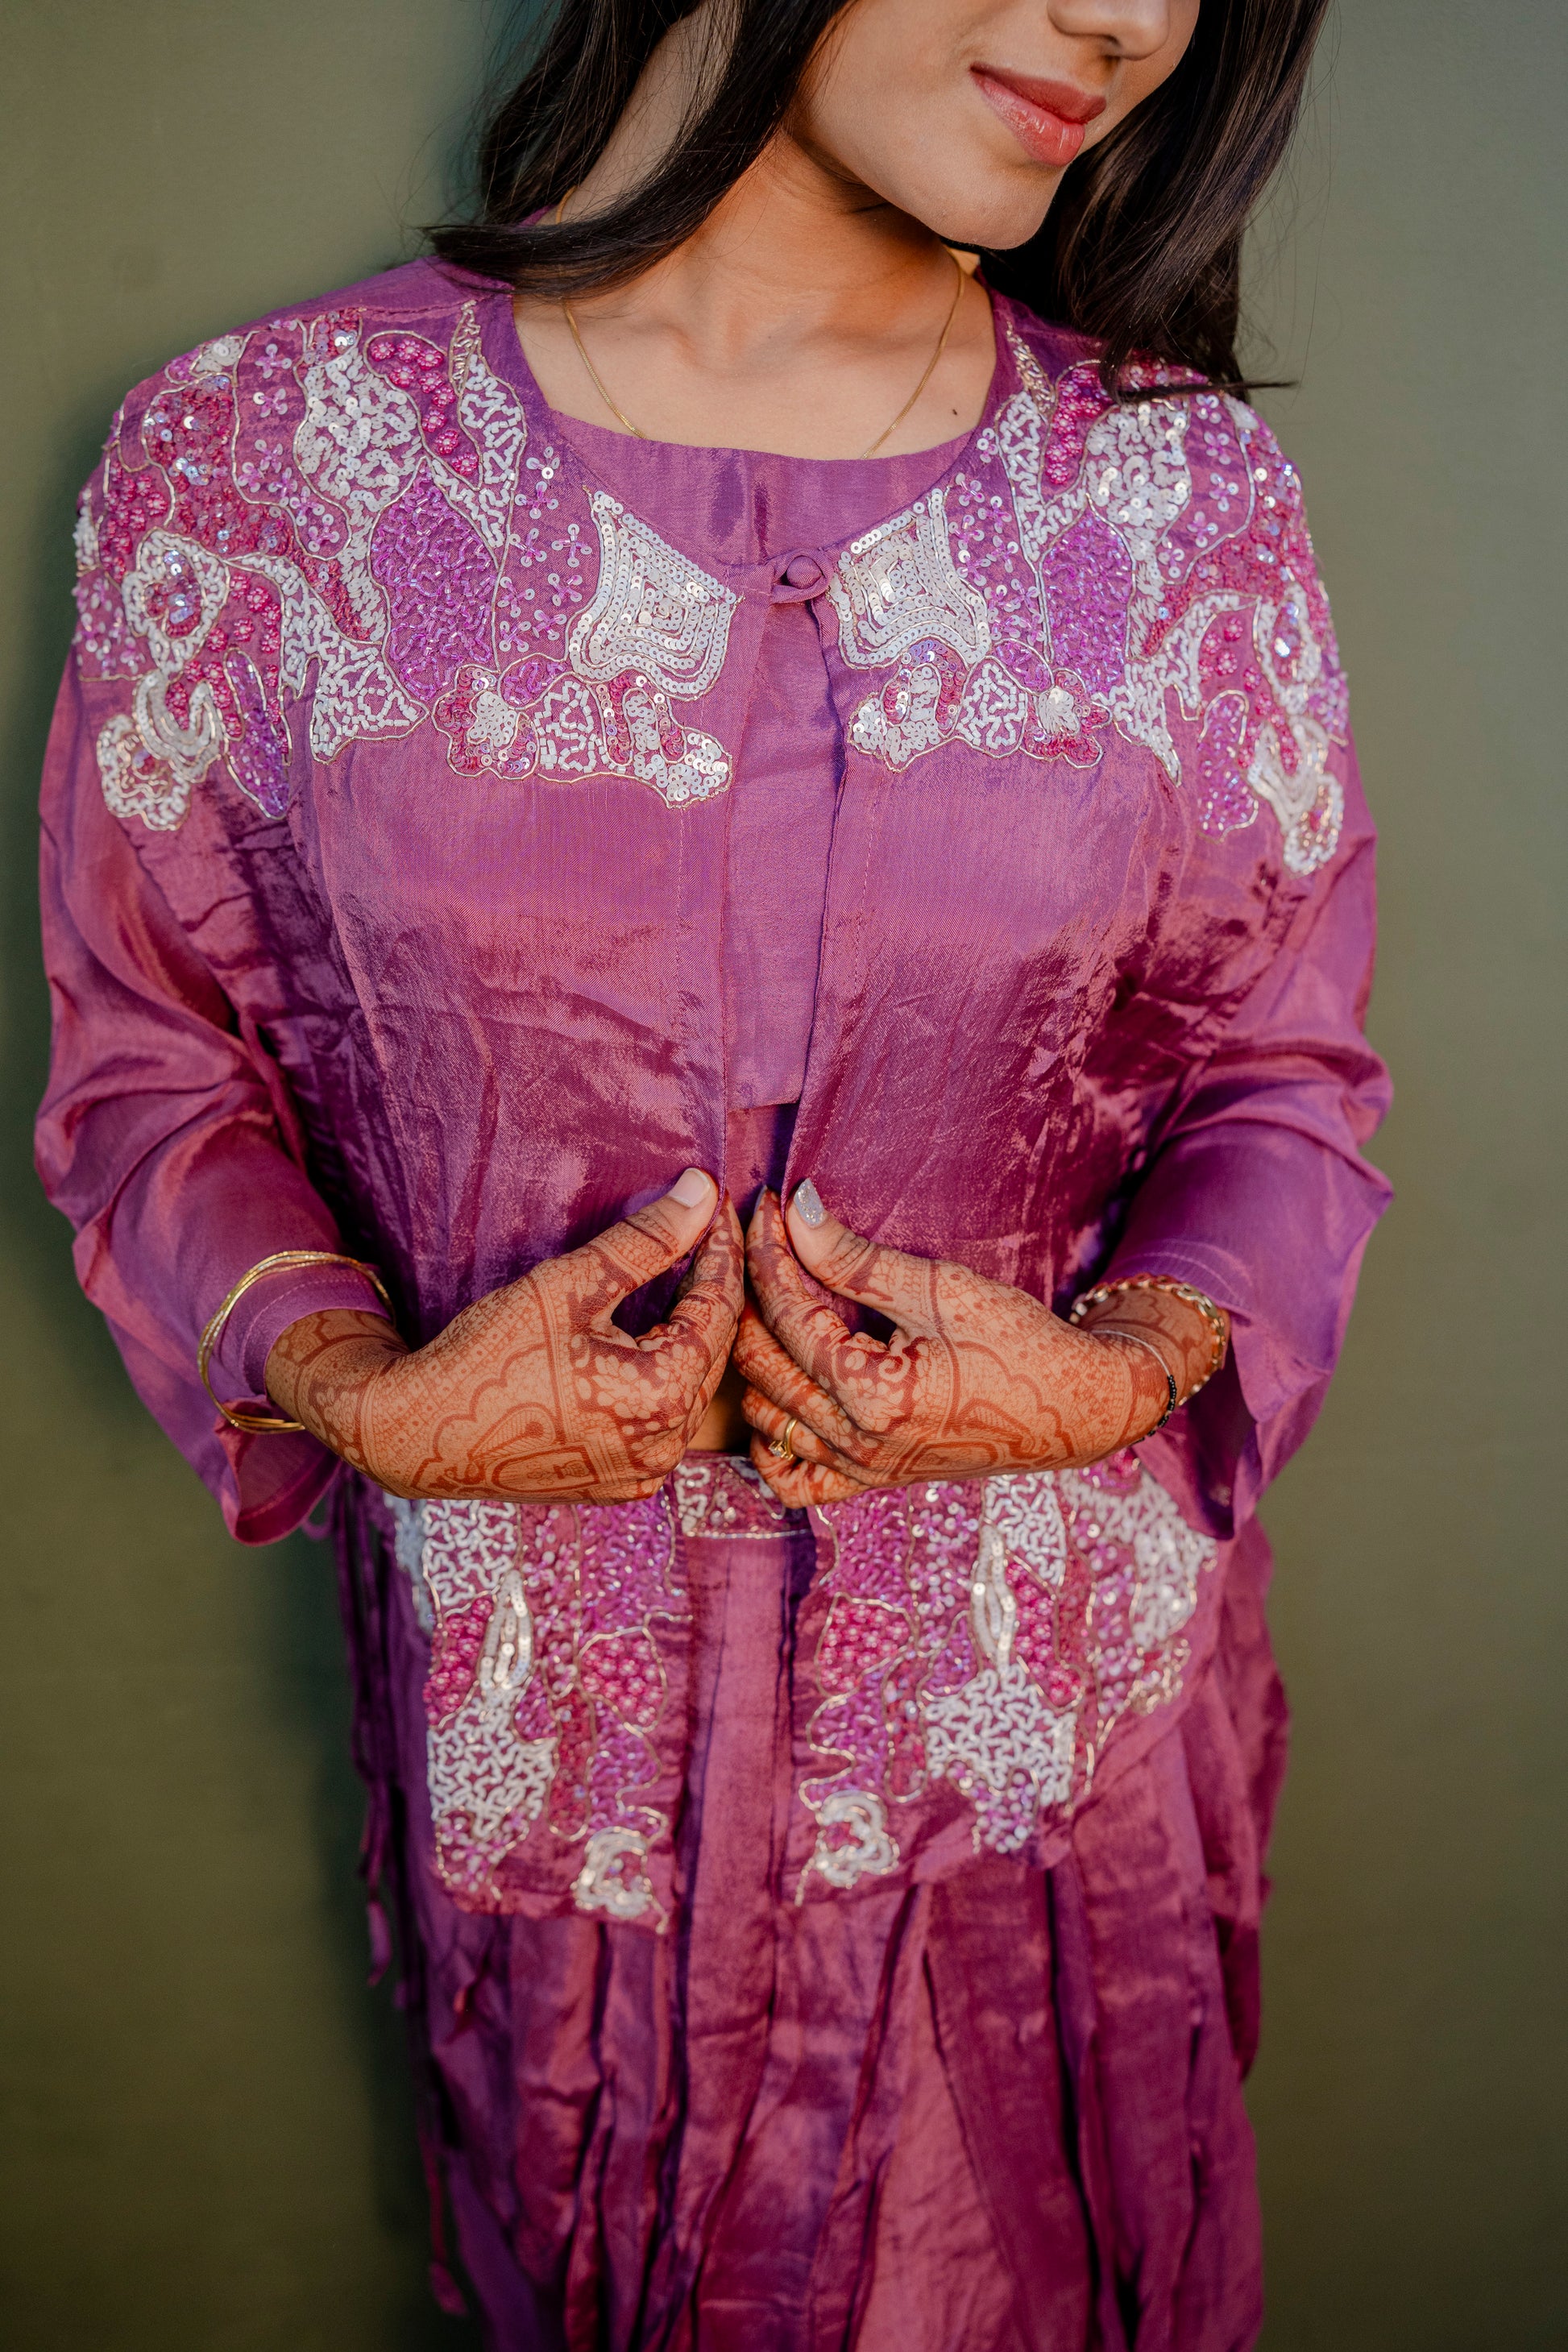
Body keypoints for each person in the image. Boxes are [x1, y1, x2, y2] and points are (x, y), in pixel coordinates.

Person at [35, 0, 1391, 2342]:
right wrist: (357, 1388)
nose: (1135, 17)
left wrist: (1120, 1370)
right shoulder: (257, 463)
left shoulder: (1179, 502)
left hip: (1035, 1788)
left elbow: (1281, 1073)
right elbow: (157, 1067)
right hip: (560, 1797)